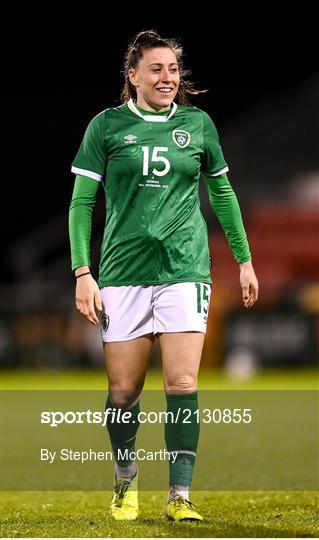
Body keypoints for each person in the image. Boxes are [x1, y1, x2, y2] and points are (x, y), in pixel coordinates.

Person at [69, 29, 258, 522]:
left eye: (173, 69)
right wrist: (83, 272)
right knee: (123, 392)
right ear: (132, 76)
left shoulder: (197, 125)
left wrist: (244, 259)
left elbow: (222, 194)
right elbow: (82, 203)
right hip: (123, 274)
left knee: (182, 382)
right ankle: (125, 479)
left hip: (185, 268)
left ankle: (179, 495)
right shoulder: (106, 127)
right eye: (156, 69)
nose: (167, 77)